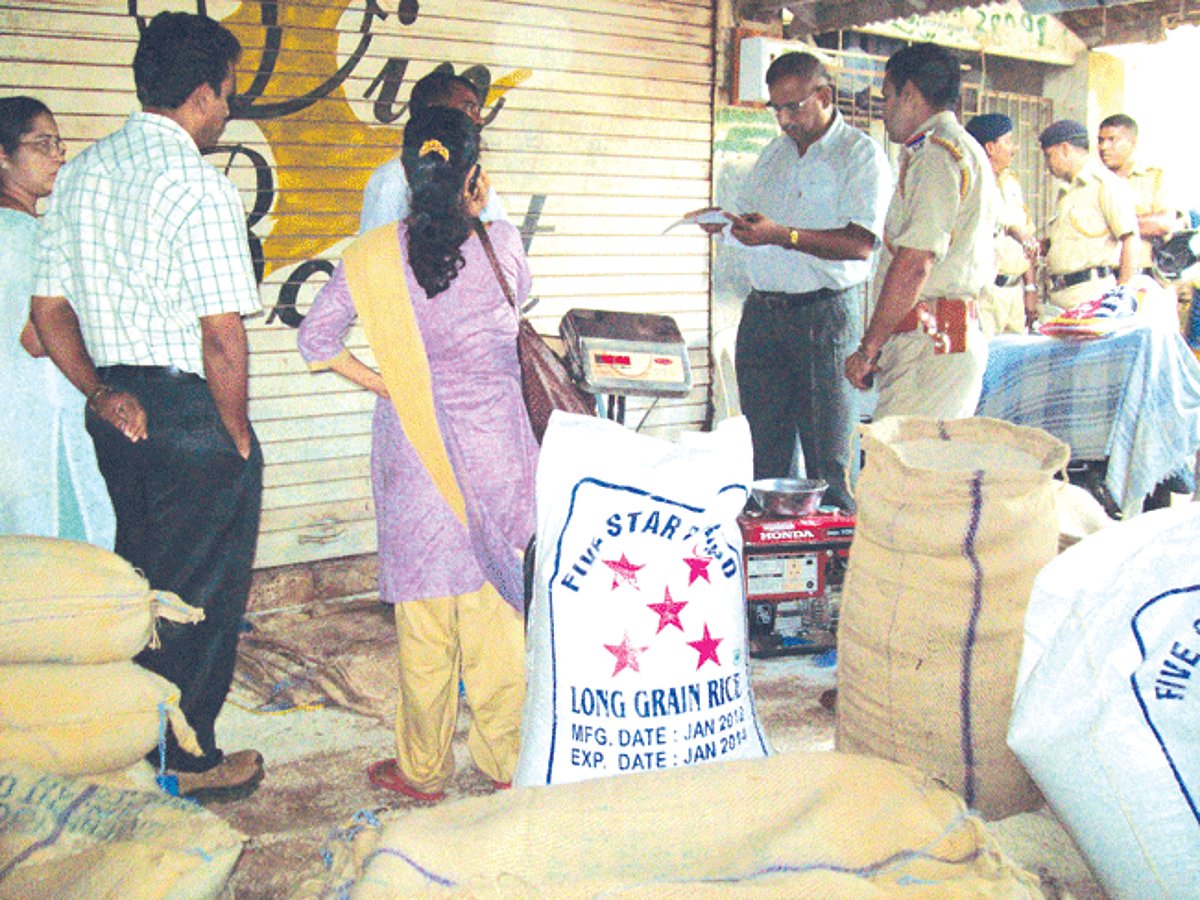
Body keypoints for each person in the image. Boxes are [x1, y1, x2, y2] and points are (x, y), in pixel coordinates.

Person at [30, 12, 264, 799]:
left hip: (117, 412)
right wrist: (234, 435)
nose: (227, 111)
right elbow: (222, 336)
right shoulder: (199, 187)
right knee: (199, 597)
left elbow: (50, 309)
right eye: (227, 96)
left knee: (142, 583)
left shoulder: (84, 174)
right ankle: (188, 760)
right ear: (201, 94)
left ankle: (136, 739)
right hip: (191, 413)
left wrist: (99, 391)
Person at [298, 106, 535, 802]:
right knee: (498, 621)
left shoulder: (368, 257)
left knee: (426, 627)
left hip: (414, 457)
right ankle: (505, 764)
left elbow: (315, 341)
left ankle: (424, 770)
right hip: (495, 455)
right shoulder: (504, 243)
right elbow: (513, 310)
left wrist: (387, 382)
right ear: (475, 178)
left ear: (405, 173)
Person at [723, 51, 891, 510]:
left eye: (793, 107)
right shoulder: (773, 156)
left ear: (824, 96)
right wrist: (733, 226)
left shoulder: (857, 154)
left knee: (827, 457)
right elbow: (754, 220)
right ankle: (776, 563)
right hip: (763, 313)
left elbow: (860, 243)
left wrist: (782, 235)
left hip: (825, 314)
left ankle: (836, 565)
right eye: (775, 109)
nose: (783, 120)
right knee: (764, 453)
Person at [844, 43, 995, 420]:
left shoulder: (936, 155)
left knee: (902, 470)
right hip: (936, 341)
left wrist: (869, 349)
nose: (885, 110)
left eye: (888, 97)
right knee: (927, 469)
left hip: (930, 344)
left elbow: (915, 263)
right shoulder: (958, 149)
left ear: (909, 93)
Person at [0, 97, 115, 546]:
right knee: (71, 548)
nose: (59, 155)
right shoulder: (24, 235)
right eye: (42, 144)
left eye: (59, 143)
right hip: (40, 425)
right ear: (3, 155)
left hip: (16, 424)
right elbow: (35, 335)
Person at [359, 68, 505, 233]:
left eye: (478, 111)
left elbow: (499, 241)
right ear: (434, 111)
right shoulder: (392, 178)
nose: (479, 121)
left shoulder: (473, 178)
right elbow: (377, 250)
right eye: (469, 108)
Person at [1038, 119, 1139, 315]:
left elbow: (1130, 238)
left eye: (1050, 156)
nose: (1048, 164)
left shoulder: (1105, 184)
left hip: (1092, 297)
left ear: (1065, 149)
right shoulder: (1066, 192)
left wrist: (1122, 292)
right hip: (1059, 299)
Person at [965, 113, 1039, 335]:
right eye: (1008, 141)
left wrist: (1030, 287)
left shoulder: (1011, 183)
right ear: (990, 147)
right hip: (986, 293)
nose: (1014, 148)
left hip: (1015, 292)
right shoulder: (972, 185)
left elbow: (1027, 240)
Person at [1097, 113, 1186, 277]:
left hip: (1142, 276)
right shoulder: (1094, 182)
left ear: (1132, 143)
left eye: (1112, 139)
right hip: (1101, 278)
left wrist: (1109, 224)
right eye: (1100, 140)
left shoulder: (1153, 177)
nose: (1104, 147)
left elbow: (1164, 223)